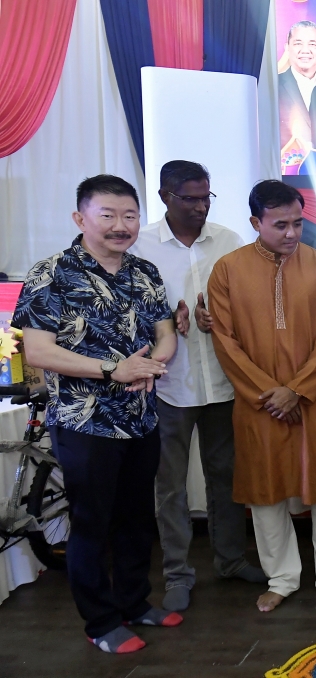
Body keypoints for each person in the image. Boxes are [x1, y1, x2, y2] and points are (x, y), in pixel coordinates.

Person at [12, 175, 180, 653]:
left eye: (130, 216)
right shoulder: (52, 273)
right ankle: (101, 623)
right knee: (91, 523)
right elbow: (38, 351)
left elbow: (166, 333)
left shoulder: (144, 271)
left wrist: (154, 363)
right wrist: (114, 370)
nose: (120, 225)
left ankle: (134, 603)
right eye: (107, 215)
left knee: (136, 518)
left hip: (141, 417)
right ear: (80, 218)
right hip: (85, 422)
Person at [208, 180, 316, 613]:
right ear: (255, 222)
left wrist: (296, 390)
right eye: (280, 225)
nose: (292, 233)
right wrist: (269, 394)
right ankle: (283, 577)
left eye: (297, 223)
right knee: (265, 492)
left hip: (315, 398)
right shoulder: (228, 270)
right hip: (259, 403)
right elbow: (225, 340)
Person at [130, 161, 266, 613]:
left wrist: (220, 317)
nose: (200, 206)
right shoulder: (140, 246)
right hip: (167, 385)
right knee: (170, 486)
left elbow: (250, 306)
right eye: (189, 198)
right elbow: (127, 316)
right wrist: (166, 321)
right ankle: (177, 573)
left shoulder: (229, 241)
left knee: (226, 476)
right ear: (164, 196)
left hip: (222, 382)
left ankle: (230, 560)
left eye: (206, 197)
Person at [278, 20, 316, 151]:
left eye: (312, 44)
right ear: (287, 48)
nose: (305, 50)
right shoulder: (272, 86)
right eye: (298, 43)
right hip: (287, 162)